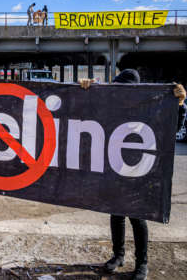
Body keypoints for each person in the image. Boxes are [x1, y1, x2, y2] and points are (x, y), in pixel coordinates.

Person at [79, 69, 187, 280]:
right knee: (116, 213)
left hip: (141, 171)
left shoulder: (149, 109)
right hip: (115, 168)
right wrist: (86, 90)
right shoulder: (112, 106)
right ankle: (118, 256)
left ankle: (141, 264)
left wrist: (180, 103)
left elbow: (172, 125)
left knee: (137, 218)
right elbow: (85, 112)